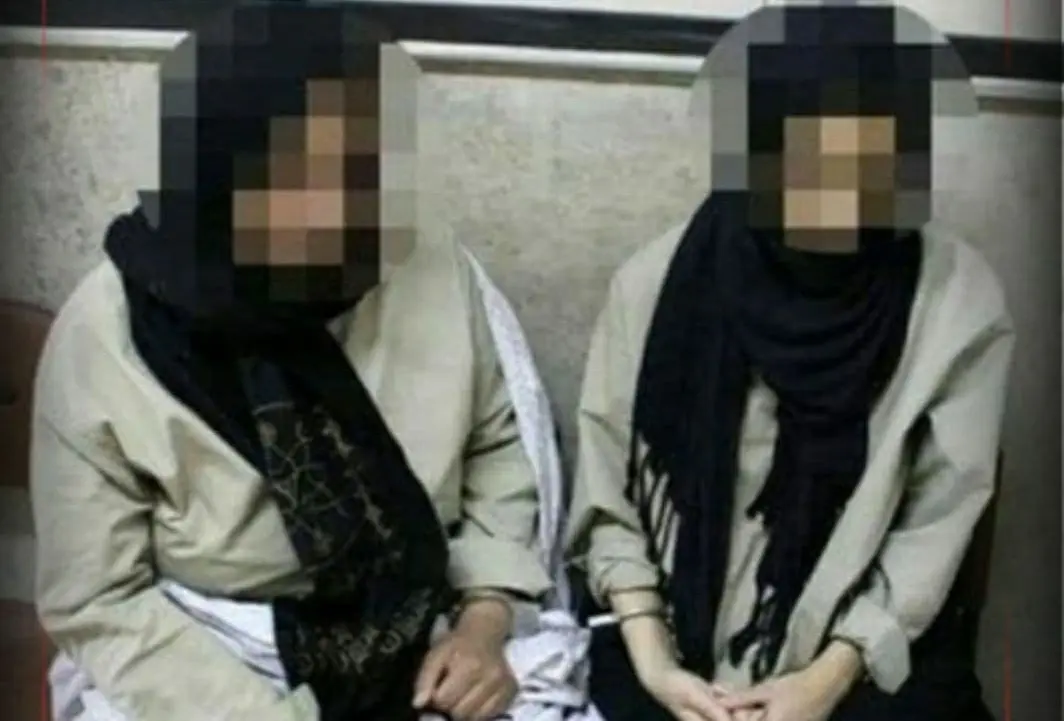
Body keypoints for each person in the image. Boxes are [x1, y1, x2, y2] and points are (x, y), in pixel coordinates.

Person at [31, 4, 550, 721]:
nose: (342, 209)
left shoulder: (425, 265)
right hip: (200, 647)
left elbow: (498, 451)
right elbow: (98, 598)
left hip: (423, 623)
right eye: (301, 175)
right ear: (217, 175)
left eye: (363, 170)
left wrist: (484, 619)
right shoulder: (108, 333)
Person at [565, 5, 1013, 721]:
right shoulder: (657, 283)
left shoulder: (958, 302)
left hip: (860, 659)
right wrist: (656, 662)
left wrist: (825, 680)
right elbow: (609, 496)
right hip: (670, 644)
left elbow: (934, 526)